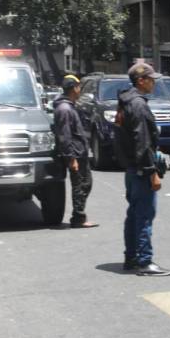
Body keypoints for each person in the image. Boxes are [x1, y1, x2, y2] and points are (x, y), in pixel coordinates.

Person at [116, 62, 170, 276]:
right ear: (141, 81)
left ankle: (131, 257)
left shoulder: (126, 102)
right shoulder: (138, 105)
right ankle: (144, 261)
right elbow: (142, 142)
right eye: (151, 79)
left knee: (134, 214)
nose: (154, 82)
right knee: (144, 216)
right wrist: (151, 172)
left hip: (132, 168)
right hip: (140, 170)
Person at [52, 75, 99, 229]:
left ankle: (78, 215)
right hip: (75, 154)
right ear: (74, 88)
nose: (80, 90)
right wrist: (71, 158)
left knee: (85, 183)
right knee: (80, 185)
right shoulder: (65, 109)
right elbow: (64, 136)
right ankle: (78, 217)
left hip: (79, 153)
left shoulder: (69, 106)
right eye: (79, 87)